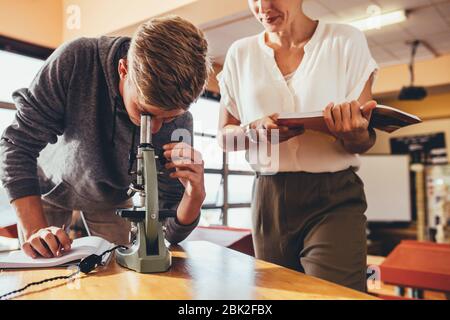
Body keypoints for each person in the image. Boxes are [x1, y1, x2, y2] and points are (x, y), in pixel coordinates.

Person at [0, 16, 210, 259]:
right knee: (42, 269)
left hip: (113, 199)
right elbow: (17, 144)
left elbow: (166, 234)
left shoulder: (181, 120)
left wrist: (195, 197)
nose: (155, 130)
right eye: (146, 113)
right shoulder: (77, 59)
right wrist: (36, 230)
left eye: (169, 118)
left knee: (119, 276)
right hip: (49, 187)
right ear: (124, 69)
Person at [218, 0, 378, 291]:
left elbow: (361, 142)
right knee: (279, 295)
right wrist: (253, 131)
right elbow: (224, 137)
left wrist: (353, 132)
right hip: (268, 198)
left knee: (333, 296)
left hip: (333, 196)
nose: (263, 6)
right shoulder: (240, 53)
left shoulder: (345, 40)